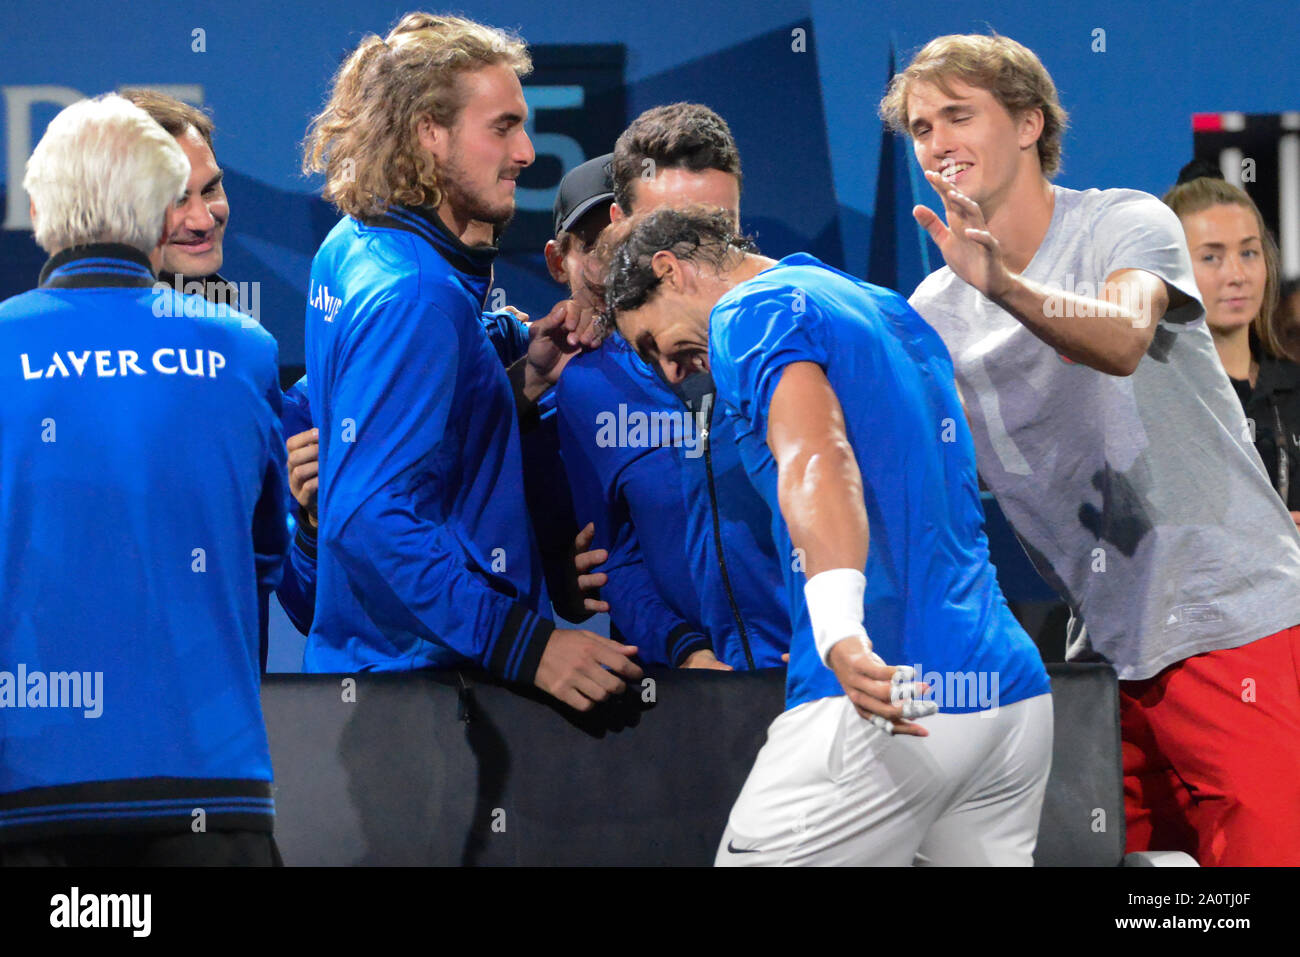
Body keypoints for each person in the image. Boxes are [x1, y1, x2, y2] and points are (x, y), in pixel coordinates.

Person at [884, 32, 1300, 865]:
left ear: (1031, 122)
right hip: (1104, 654)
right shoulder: (931, 306)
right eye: (922, 128)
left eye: (958, 116)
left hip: (1232, 623)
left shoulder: (1123, 222)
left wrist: (1001, 283)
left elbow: (1121, 338)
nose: (937, 144)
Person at [596, 205, 1052, 865]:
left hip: (882, 695)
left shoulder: (747, 312)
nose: (670, 375)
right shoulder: (886, 307)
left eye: (649, 344)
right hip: (1005, 692)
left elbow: (817, 457)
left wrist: (841, 632)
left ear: (670, 269)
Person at [300, 12, 638, 711]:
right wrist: (529, 644)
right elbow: (369, 518)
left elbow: (405, 419)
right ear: (430, 133)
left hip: (385, 672)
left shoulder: (357, 241)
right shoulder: (416, 296)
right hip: (426, 690)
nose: (526, 150)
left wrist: (517, 377)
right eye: (503, 127)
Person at [0, 94, 287, 865]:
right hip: (209, 786)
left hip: (24, 794)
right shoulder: (246, 351)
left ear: (35, 209)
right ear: (158, 213)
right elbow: (269, 560)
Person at [555, 105, 789, 670]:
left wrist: (830, 638)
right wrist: (690, 657)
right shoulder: (588, 387)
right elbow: (614, 558)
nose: (699, 265)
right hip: (685, 699)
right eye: (675, 238)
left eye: (720, 232)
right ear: (619, 225)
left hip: (827, 678)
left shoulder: (804, 330)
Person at [1164, 174, 1300, 527]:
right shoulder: (1153, 397)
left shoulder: (1294, 388)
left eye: (1249, 252)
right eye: (1212, 257)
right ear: (1170, 267)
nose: (1237, 274)